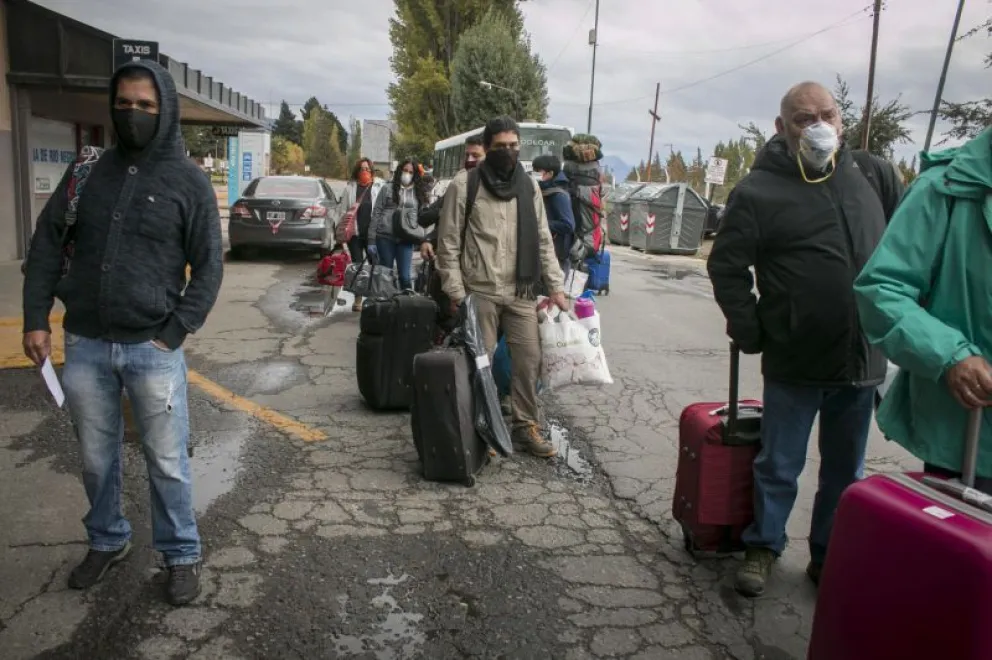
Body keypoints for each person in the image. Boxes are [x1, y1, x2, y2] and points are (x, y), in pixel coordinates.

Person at [21, 60, 223, 606]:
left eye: (146, 105)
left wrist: (175, 331)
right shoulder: (88, 172)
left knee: (166, 460)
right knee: (95, 457)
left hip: (152, 350)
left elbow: (209, 267)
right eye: (124, 103)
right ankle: (107, 540)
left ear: (167, 110)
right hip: (84, 344)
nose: (132, 114)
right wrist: (36, 318)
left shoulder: (189, 182)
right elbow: (44, 245)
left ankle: (180, 554)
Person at [707, 81, 903, 598]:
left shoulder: (873, 175)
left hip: (861, 358)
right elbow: (727, 266)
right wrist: (752, 329)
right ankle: (762, 547)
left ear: (842, 121)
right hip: (795, 357)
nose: (818, 126)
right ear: (781, 128)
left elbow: (903, 252)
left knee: (846, 469)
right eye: (803, 118)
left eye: (827, 114)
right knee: (779, 464)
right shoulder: (757, 191)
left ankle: (827, 554)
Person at [854, 127, 992, 493]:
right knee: (967, 549)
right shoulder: (944, 188)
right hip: (972, 440)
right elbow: (881, 289)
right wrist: (951, 355)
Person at [436, 115, 567, 458]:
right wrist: (455, 292)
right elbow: (448, 242)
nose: (507, 152)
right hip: (479, 291)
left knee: (528, 361)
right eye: (500, 147)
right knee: (481, 364)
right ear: (488, 147)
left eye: (513, 146)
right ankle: (483, 428)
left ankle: (525, 427)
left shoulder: (529, 187)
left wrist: (555, 286)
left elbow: (542, 240)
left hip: (521, 291)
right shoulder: (465, 185)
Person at [418, 135, 485, 262]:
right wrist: (429, 239)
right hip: (452, 262)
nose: (470, 160)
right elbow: (424, 218)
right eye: (467, 155)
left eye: (475, 156)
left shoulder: (494, 190)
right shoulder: (456, 187)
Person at [368, 158, 428, 292]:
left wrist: (423, 239)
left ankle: (406, 306)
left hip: (406, 239)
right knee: (386, 274)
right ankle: (386, 305)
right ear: (400, 171)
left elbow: (423, 218)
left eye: (411, 172)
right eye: (405, 170)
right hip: (385, 237)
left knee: (405, 277)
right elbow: (376, 213)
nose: (407, 174)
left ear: (415, 175)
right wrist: (371, 239)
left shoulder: (418, 193)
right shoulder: (387, 188)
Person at [337, 157, 384, 312]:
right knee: (357, 267)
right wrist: (343, 232)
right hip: (355, 235)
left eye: (367, 169)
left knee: (375, 266)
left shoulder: (379, 186)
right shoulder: (350, 188)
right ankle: (358, 299)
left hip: (373, 236)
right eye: (362, 169)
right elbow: (343, 211)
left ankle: (374, 298)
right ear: (357, 171)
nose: (365, 171)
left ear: (372, 171)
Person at [532, 154, 576, 277]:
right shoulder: (543, 189)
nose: (535, 175)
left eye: (538, 172)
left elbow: (568, 225)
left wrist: (540, 223)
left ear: (550, 174)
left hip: (557, 253)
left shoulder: (558, 195)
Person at [317, 242, 351, 316]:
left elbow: (320, 269)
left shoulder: (327, 258)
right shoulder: (344, 257)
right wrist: (345, 248)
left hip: (326, 281)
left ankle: (325, 312)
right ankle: (329, 312)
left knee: (326, 297)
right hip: (338, 282)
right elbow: (349, 261)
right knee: (334, 298)